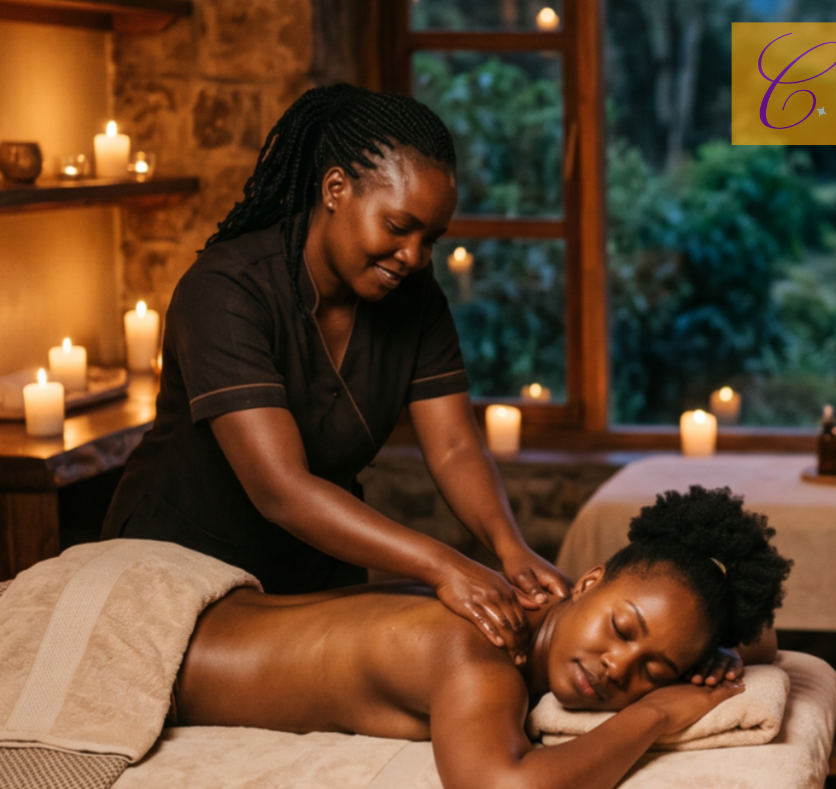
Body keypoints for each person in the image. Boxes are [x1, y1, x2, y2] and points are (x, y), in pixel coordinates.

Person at [104, 84, 564, 652]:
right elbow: (281, 488)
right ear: (336, 188)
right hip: (182, 569)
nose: (414, 256)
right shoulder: (225, 290)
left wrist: (510, 548)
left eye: (431, 238)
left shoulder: (415, 298)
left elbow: (454, 448)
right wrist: (445, 565)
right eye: (398, 226)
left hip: (315, 570)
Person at [177, 486, 792, 789]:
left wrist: (719, 650)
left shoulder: (543, 604)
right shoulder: (476, 650)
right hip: (168, 651)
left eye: (653, 669)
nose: (617, 666)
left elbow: (763, 640)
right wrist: (656, 710)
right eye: (623, 629)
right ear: (588, 580)